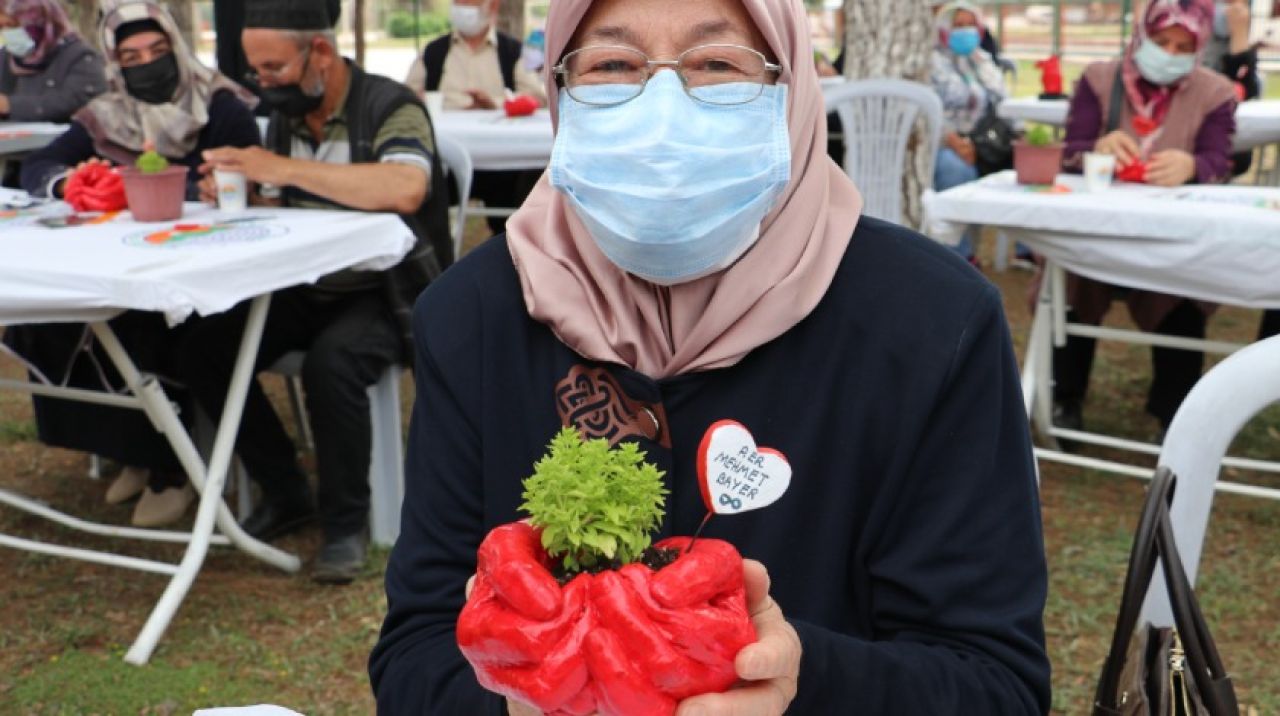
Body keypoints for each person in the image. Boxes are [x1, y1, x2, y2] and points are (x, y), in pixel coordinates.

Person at [369, 0, 1050, 712]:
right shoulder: (474, 319)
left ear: (792, 91)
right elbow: (418, 651)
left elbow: (995, 683)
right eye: (612, 65)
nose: (663, 110)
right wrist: (526, 700)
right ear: (561, 93)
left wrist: (798, 682)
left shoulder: (933, 324)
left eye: (717, 65)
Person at [183, 0, 451, 584]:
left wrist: (280, 169)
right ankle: (284, 490)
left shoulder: (390, 105)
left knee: (334, 361)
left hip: (388, 290)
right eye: (256, 73)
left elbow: (406, 186)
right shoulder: (288, 111)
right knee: (203, 344)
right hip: (306, 281)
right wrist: (246, 194)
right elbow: (300, 209)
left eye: (274, 69)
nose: (264, 84)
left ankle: (344, 524)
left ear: (321, 53)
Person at [3, 1, 260, 528]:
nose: (146, 63)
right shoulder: (108, 112)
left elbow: (238, 178)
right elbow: (39, 164)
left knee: (145, 320)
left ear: (176, 47)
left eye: (157, 51)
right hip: (127, 255)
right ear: (116, 63)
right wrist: (69, 183)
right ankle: (132, 451)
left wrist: (162, 186)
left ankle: (172, 467)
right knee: (64, 311)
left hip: (206, 267)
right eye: (131, 55)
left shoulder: (221, 107)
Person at [1054, 0, 1236, 438]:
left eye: (1182, 46)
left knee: (1182, 296)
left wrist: (1192, 166)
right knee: (1074, 286)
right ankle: (1065, 399)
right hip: (1099, 231)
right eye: (1161, 42)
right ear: (1142, 36)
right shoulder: (1099, 80)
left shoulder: (1215, 93)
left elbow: (1221, 158)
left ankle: (1175, 413)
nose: (1170, 54)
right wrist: (1098, 150)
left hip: (1170, 238)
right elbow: (1071, 151)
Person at [404, 0, 548, 235]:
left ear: (492, 7)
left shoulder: (510, 51)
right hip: (444, 162)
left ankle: (514, 247)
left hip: (502, 162)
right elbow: (406, 95)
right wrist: (418, 99)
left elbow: (537, 98)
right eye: (457, 2)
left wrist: (495, 104)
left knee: (517, 203)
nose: (462, 9)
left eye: (469, 3)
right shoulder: (434, 52)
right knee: (426, 207)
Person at [929, 1, 1007, 263]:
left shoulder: (982, 59)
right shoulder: (932, 60)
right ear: (944, 28)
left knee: (1029, 160)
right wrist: (952, 140)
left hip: (983, 141)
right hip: (943, 142)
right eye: (958, 26)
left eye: (970, 25)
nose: (965, 32)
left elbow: (1001, 99)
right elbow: (927, 110)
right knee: (956, 169)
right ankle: (960, 258)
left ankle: (1030, 251)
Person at [0, 0, 105, 124]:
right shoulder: (7, 57)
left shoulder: (81, 56)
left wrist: (10, 105)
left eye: (13, 26)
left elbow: (74, 101)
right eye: (2, 27)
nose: (8, 33)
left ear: (37, 23)